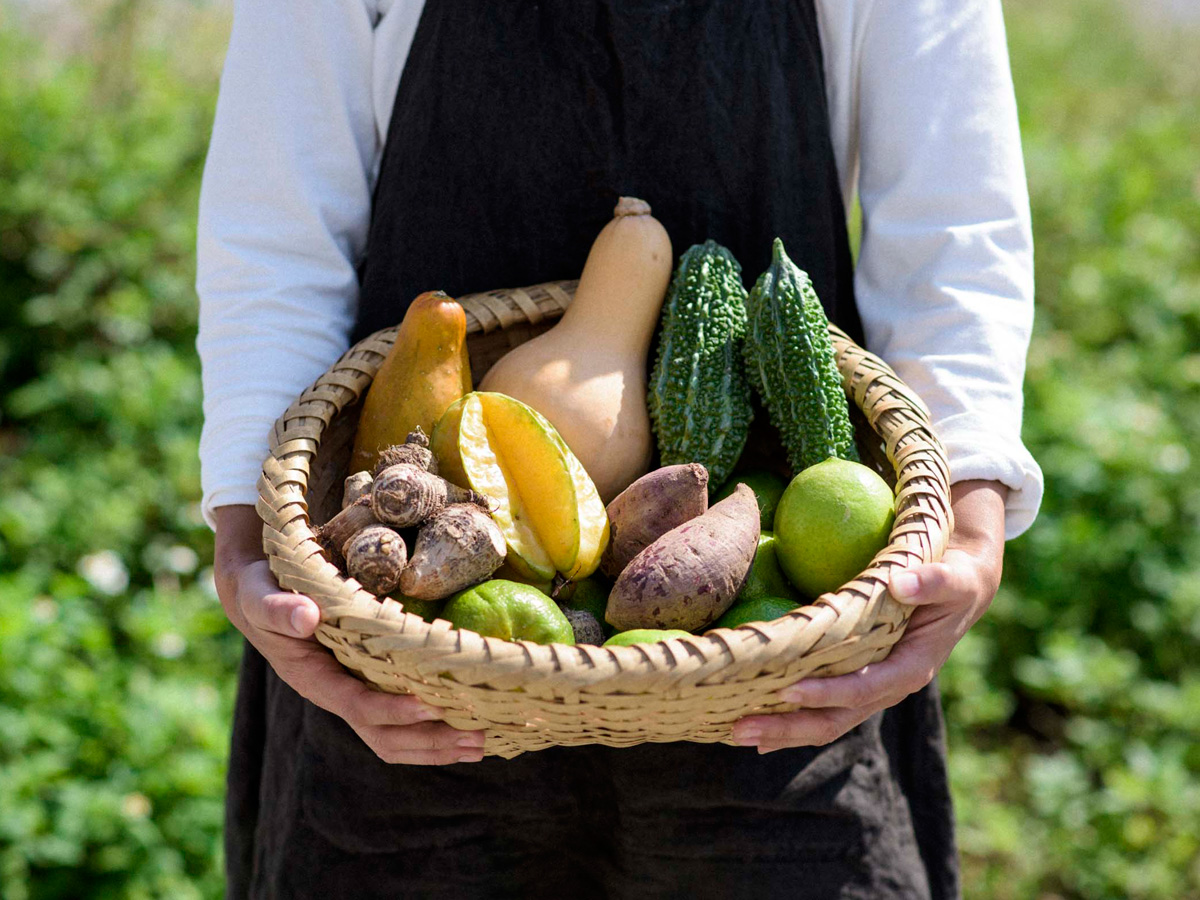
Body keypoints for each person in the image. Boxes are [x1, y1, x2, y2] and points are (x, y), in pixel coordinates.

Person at [198, 1, 1043, 897]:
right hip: (400, 636)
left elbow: (953, 217)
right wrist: (256, 539)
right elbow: (276, 220)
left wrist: (968, 525)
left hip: (789, 667)